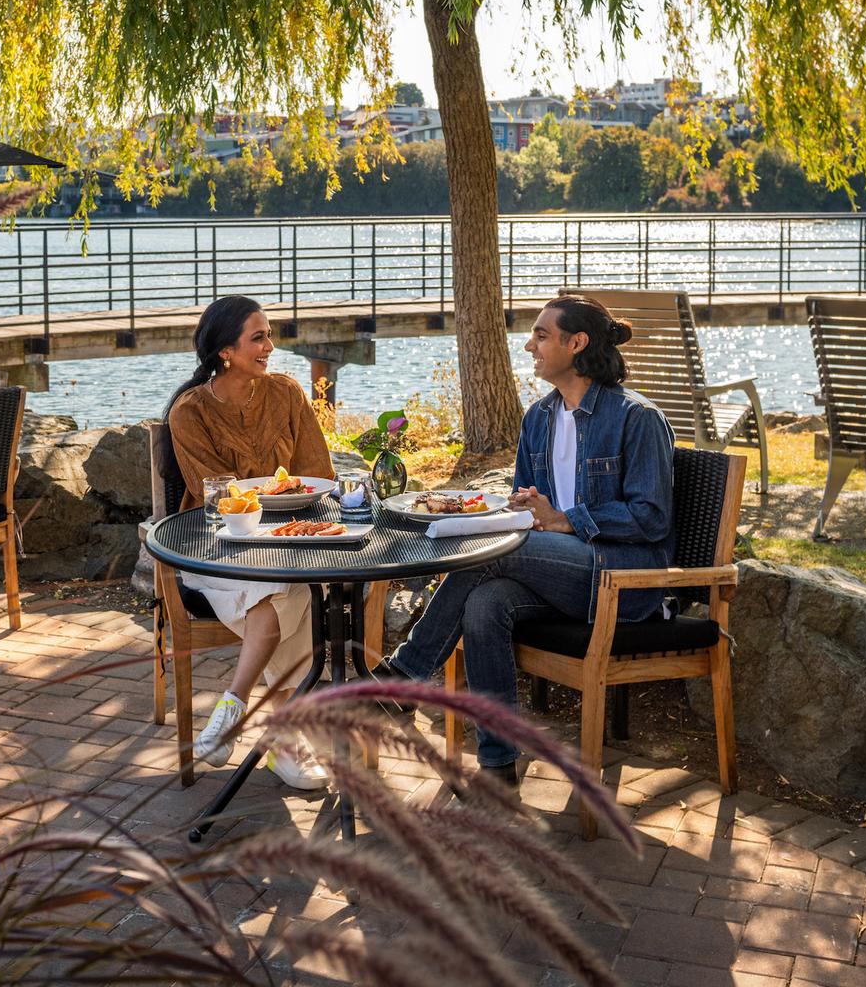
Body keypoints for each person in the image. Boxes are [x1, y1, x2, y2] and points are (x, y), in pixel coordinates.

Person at [373, 294, 675, 785]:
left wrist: (567, 520)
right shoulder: (538, 418)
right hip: (558, 573)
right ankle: (497, 764)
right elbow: (526, 505)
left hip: (621, 580)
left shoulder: (635, 418)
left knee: (490, 555)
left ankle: (403, 678)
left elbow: (651, 517)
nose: (529, 345)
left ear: (576, 343)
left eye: (541, 334)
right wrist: (521, 510)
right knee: (486, 602)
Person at [166, 295, 334, 791]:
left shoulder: (286, 394)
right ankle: (281, 739)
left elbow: (316, 474)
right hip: (214, 550)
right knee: (291, 592)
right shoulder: (189, 413)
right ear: (225, 351)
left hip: (284, 545)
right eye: (258, 337)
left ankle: (237, 716)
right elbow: (217, 498)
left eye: (269, 335)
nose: (270, 346)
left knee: (290, 586)